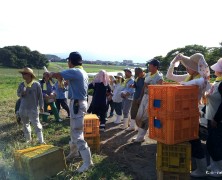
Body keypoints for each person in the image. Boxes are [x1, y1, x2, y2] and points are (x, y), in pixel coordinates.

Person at [166, 53, 210, 178]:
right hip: (181, 113)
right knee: (186, 139)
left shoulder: (201, 80)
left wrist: (182, 85)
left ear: (196, 69)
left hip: (191, 113)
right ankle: (192, 165)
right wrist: (173, 63)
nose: (186, 68)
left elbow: (199, 82)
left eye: (189, 66)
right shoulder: (188, 77)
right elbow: (169, 76)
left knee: (194, 139)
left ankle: (202, 169)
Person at [49, 51, 93, 173]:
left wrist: (50, 74)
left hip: (77, 104)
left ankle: (88, 162)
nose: (67, 63)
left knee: (77, 133)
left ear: (71, 61)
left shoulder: (75, 71)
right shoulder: (82, 72)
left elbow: (57, 74)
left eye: (68, 61)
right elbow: (67, 83)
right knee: (74, 130)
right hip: (78, 103)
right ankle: (74, 153)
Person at [133, 60, 163, 141]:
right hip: (145, 97)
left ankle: (140, 137)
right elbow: (144, 87)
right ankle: (140, 135)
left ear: (155, 67)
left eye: (150, 66)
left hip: (152, 98)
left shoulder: (159, 76)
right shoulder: (148, 74)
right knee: (139, 116)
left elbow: (159, 89)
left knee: (145, 117)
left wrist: (149, 86)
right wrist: (140, 97)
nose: (149, 67)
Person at [17, 67, 45, 144]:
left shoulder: (36, 84)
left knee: (36, 124)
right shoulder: (22, 84)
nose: (23, 75)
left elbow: (40, 96)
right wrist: (21, 94)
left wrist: (41, 106)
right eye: (22, 74)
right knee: (25, 124)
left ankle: (41, 140)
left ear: (30, 75)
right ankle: (28, 140)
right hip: (23, 108)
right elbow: (18, 93)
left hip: (33, 108)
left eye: (24, 73)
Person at [205, 58, 222, 177]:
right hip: (210, 117)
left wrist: (216, 118)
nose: (214, 70)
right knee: (211, 143)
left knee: (215, 144)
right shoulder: (217, 81)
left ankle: (219, 168)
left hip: (217, 120)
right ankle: (213, 164)